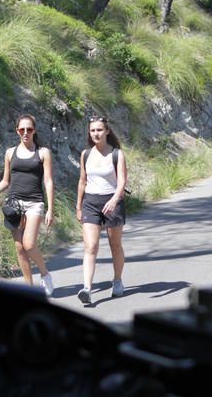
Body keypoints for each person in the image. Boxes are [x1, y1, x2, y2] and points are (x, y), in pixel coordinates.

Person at [0, 114, 54, 296]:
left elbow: (48, 182)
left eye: (29, 129)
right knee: (19, 247)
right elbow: (6, 180)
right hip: (13, 202)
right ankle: (29, 290)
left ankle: (44, 273)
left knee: (29, 244)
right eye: (22, 129)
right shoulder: (10, 152)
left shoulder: (43, 152)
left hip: (34, 203)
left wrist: (50, 209)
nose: (26, 133)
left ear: (34, 130)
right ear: (17, 131)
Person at [75, 116, 128, 304]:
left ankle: (117, 280)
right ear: (89, 133)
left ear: (107, 131)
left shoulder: (116, 154)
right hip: (91, 201)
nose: (96, 133)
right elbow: (82, 181)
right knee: (91, 246)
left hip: (112, 200)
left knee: (115, 245)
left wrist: (114, 199)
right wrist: (78, 206)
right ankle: (87, 288)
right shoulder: (85, 154)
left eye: (99, 130)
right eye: (92, 130)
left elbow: (122, 182)